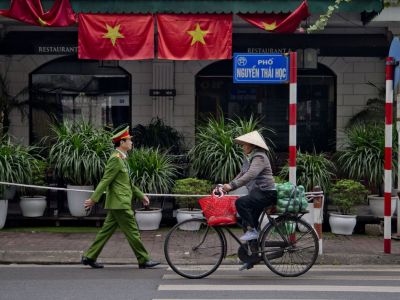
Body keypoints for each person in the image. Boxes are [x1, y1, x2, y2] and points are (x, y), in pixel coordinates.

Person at [81, 126, 160, 269]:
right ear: (122, 143)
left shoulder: (122, 159)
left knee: (105, 232)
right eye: (129, 140)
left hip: (117, 203)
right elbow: (105, 180)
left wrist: (141, 195)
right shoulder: (115, 159)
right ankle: (143, 259)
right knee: (133, 232)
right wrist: (93, 199)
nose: (131, 142)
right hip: (120, 203)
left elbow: (127, 183)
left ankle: (89, 256)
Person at [223, 130, 277, 242]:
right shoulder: (249, 157)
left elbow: (250, 174)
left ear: (252, 145)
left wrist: (232, 186)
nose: (243, 147)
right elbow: (243, 173)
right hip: (257, 193)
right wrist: (229, 184)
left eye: (244, 144)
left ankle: (252, 231)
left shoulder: (259, 157)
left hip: (266, 193)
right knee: (247, 221)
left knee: (240, 203)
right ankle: (253, 253)